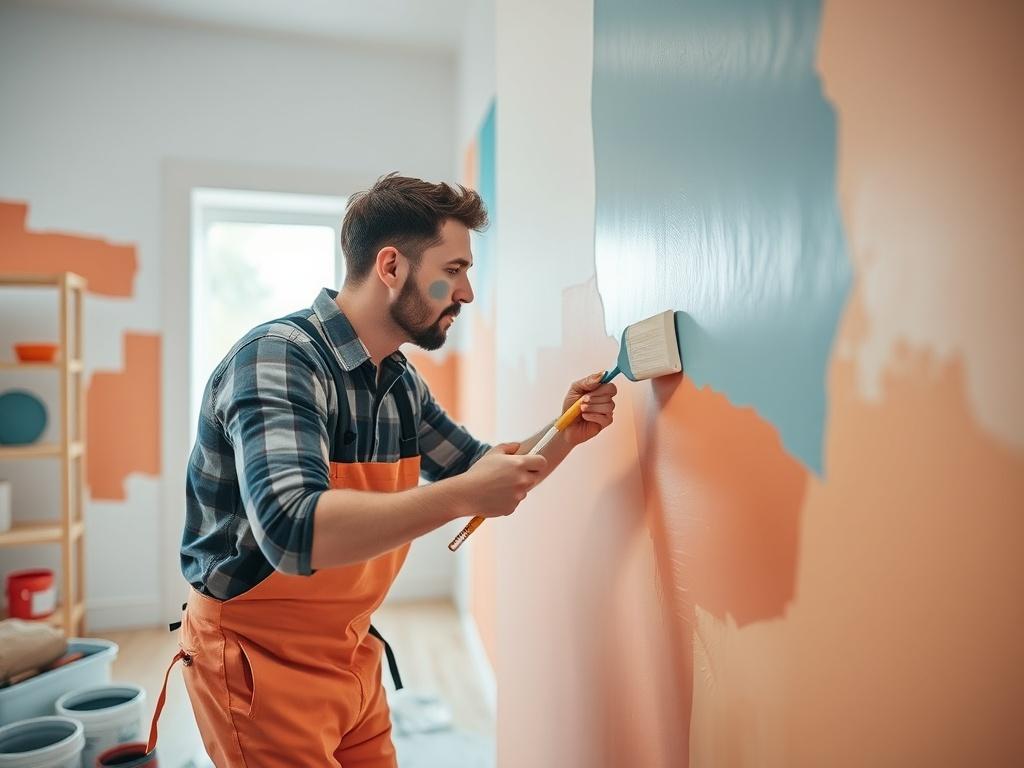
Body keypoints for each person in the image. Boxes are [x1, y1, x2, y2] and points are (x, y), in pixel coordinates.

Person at [176, 173, 618, 766]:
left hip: (350, 648)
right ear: (391, 266)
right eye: (454, 269)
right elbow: (291, 529)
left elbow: (484, 470)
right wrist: (463, 495)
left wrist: (565, 429)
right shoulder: (278, 358)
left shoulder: (401, 382)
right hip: (257, 661)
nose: (466, 293)